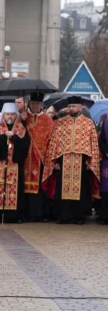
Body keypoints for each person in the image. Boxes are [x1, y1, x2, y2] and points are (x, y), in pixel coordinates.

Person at [42, 96, 101, 224]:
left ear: (80, 107)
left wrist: (90, 161)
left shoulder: (88, 123)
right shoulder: (61, 122)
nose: (70, 109)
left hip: (82, 161)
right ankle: (63, 216)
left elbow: (93, 144)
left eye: (73, 106)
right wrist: (55, 162)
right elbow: (54, 144)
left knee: (81, 190)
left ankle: (79, 217)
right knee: (62, 189)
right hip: (63, 161)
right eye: (69, 106)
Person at [0, 102, 30, 223]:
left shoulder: (22, 129)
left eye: (12, 114)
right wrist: (3, 138)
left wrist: (14, 137)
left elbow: (26, 146)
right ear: (3, 116)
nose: (9, 117)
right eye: (7, 114)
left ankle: (15, 216)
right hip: (0, 165)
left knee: (17, 190)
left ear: (16, 115)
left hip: (15, 165)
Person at [20, 92, 54, 222]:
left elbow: (51, 138)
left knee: (40, 186)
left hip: (40, 158)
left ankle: (39, 213)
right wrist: (22, 120)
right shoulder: (23, 117)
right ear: (29, 103)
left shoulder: (47, 119)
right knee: (24, 185)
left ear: (41, 105)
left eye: (37, 103)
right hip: (25, 156)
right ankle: (26, 213)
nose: (35, 106)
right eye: (33, 103)